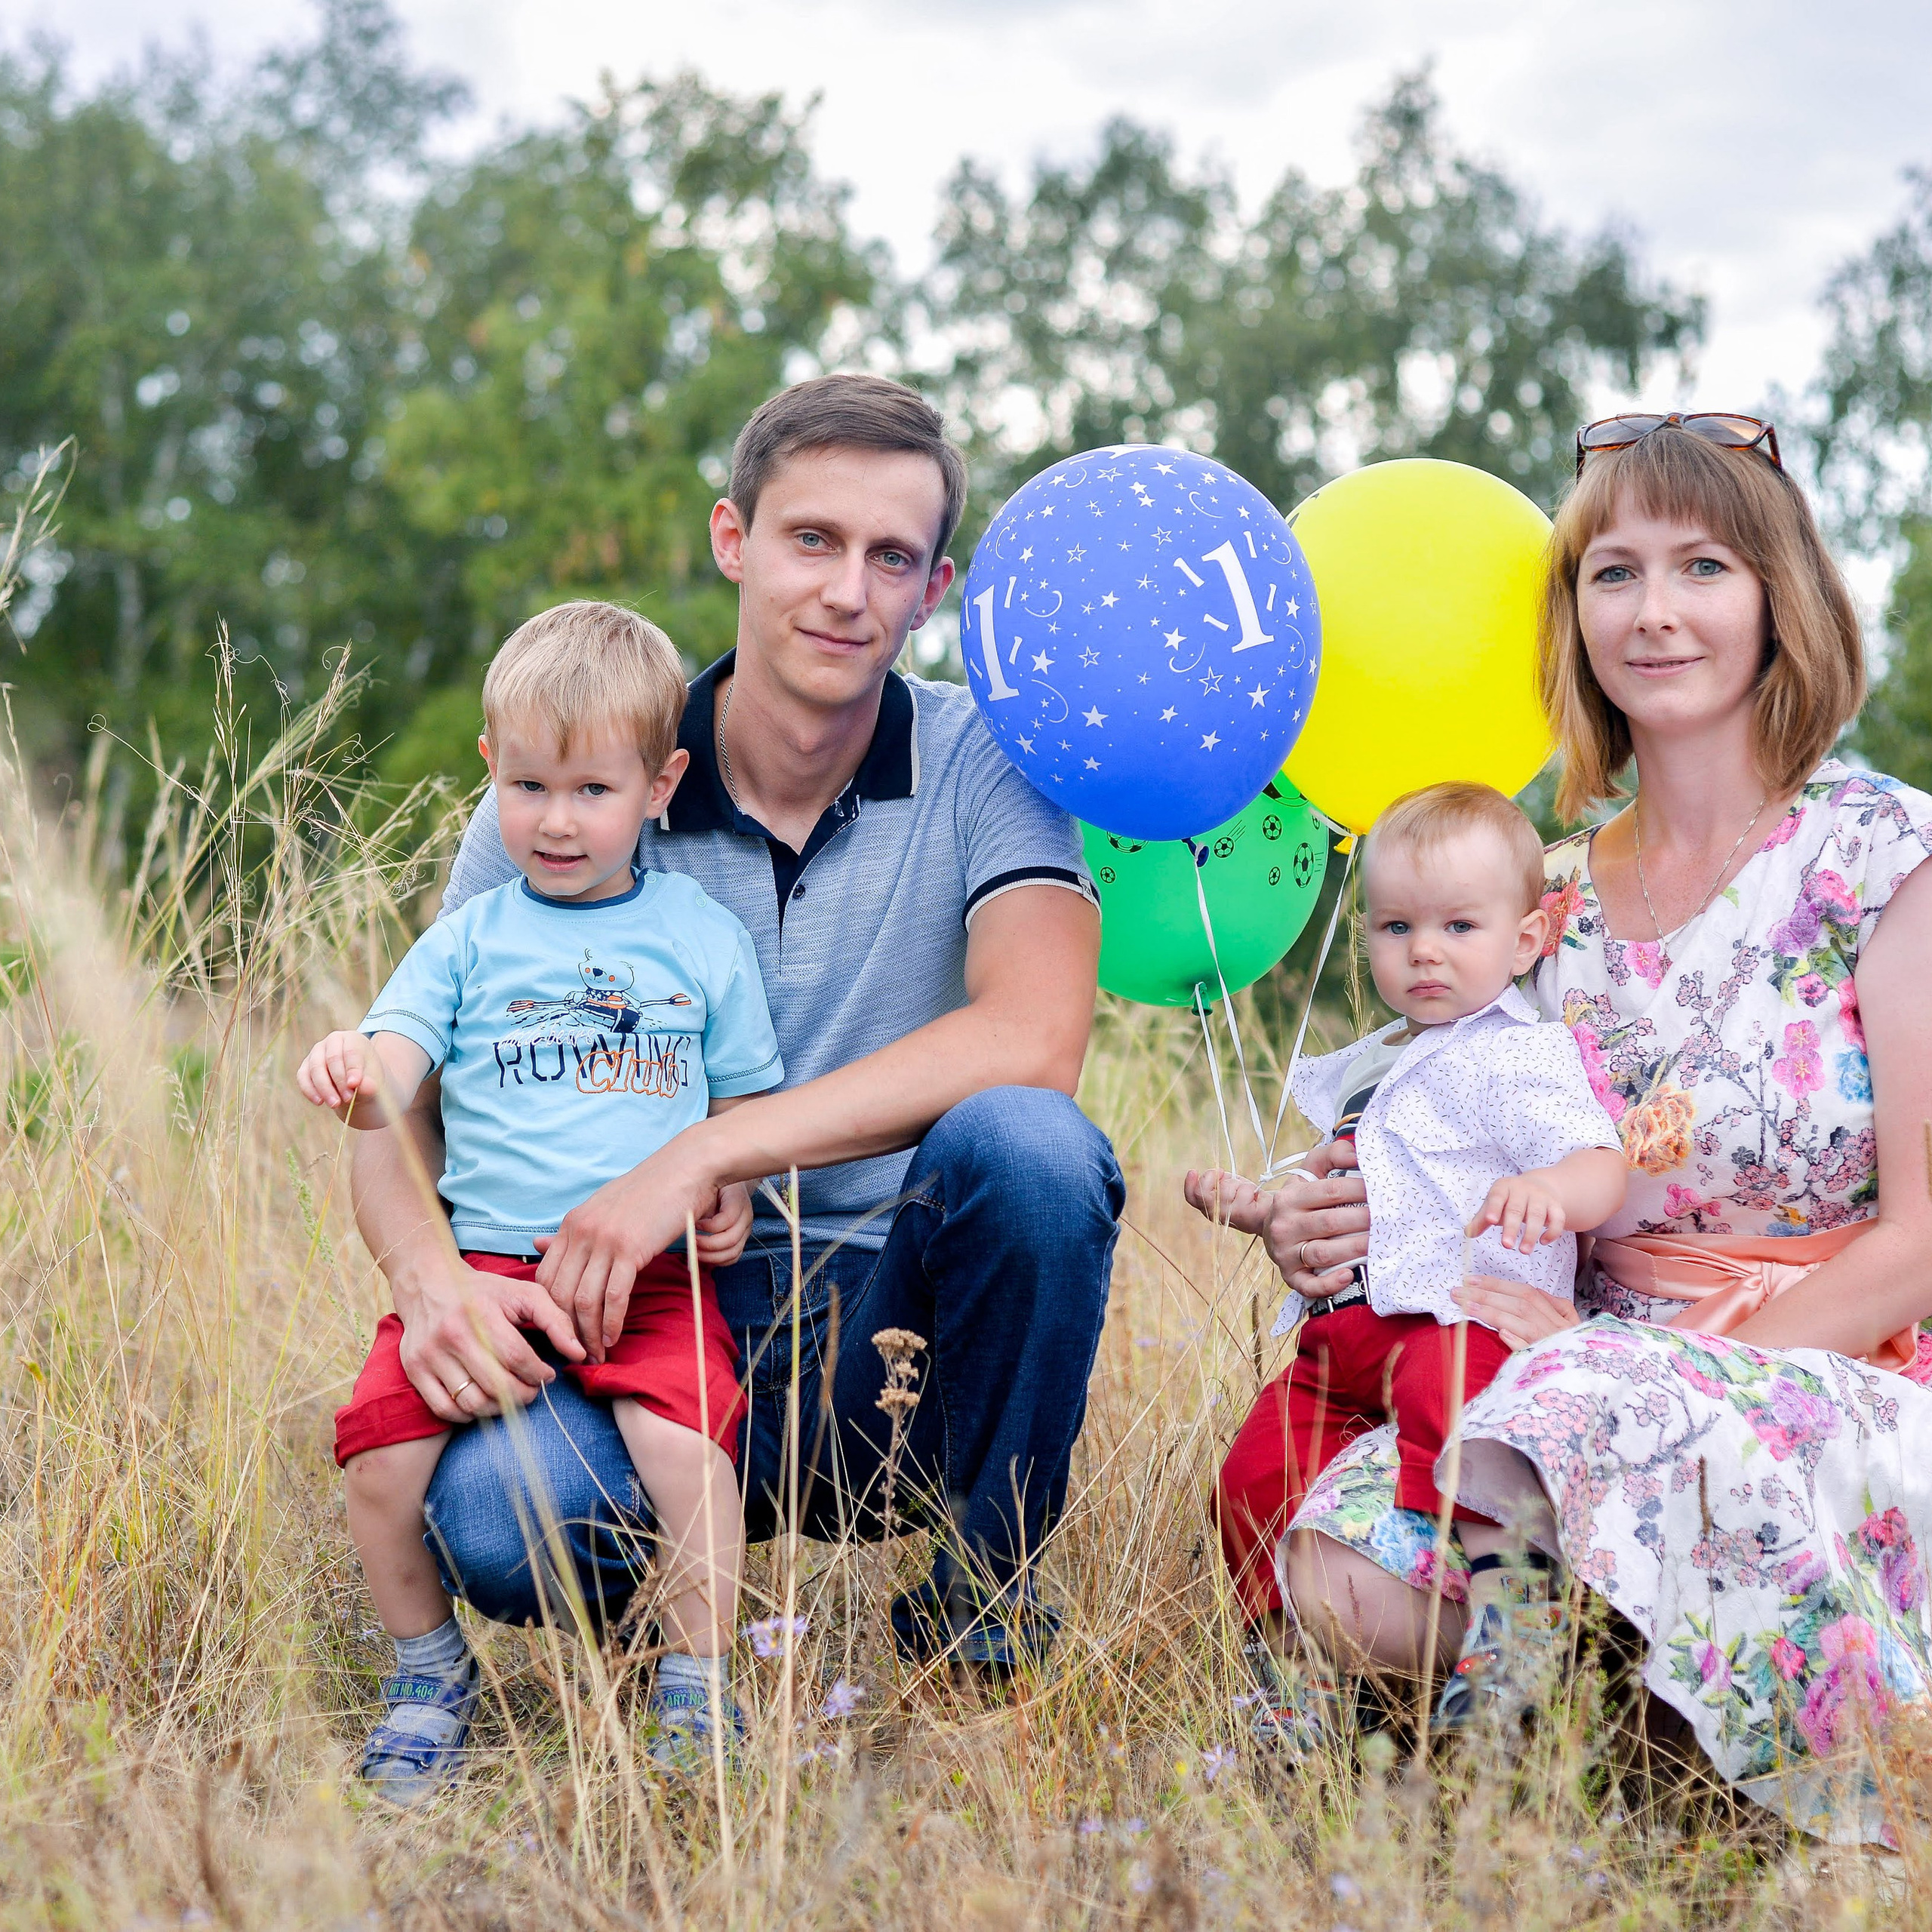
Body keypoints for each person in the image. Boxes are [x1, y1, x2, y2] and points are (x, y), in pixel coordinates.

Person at [1191, 411, 1932, 1839]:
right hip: (1547, 1384)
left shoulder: (1884, 854)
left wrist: (1658, 1387)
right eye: (1613, 572)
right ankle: (1614, 1734)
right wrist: (1328, 1222)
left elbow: (1924, 1238)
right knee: (1336, 1570)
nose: (1655, 613)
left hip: (1830, 1369)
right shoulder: (1544, 897)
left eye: (1703, 566)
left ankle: (1703, 1748)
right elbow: (1454, 1134)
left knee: (1565, 1432)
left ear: (1782, 596)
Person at [344, 374, 1123, 1681]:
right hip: (624, 1311)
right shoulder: (578, 779)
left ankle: (980, 1617)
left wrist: (705, 1154)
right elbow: (401, 1093)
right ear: (733, 540)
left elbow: (1036, 1037)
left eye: (892, 558)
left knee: (1036, 1151)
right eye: (811, 540)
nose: (846, 591)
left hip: (887, 1316)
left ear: (935, 592)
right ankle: (669, 1614)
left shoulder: (989, 756)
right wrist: (428, 1288)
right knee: (496, 1522)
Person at [302, 602, 781, 1798]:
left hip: (654, 1277)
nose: (556, 821)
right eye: (528, 786)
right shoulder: (470, 940)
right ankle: (426, 1676)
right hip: (488, 1272)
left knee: (691, 1461)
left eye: (591, 790)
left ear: (661, 784)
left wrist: (727, 1189)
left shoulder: (699, 936)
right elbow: (397, 1068)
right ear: (490, 774)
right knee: (379, 1471)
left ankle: (697, 1686)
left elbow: (745, 1116)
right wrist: (357, 1077)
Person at [1193, 781, 1624, 1743]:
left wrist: (1555, 1191)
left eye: (1458, 925)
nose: (1423, 950)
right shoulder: (1372, 1061)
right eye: (1394, 927)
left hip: (1456, 1316)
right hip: (1340, 1339)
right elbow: (1328, 1175)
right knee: (1255, 1468)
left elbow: (1602, 1161)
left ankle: (1517, 1619)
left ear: (1522, 943)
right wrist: (1257, 1203)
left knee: (1464, 1431)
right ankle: (1288, 1673)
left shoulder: (1516, 1055)